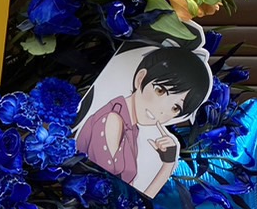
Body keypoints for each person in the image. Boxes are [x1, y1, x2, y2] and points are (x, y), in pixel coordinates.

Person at [74, 44, 212, 199]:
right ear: (140, 79)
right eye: (160, 91)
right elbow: (116, 195)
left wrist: (168, 163)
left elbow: (136, 198)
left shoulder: (131, 129)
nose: (161, 110)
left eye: (175, 107)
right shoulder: (112, 120)